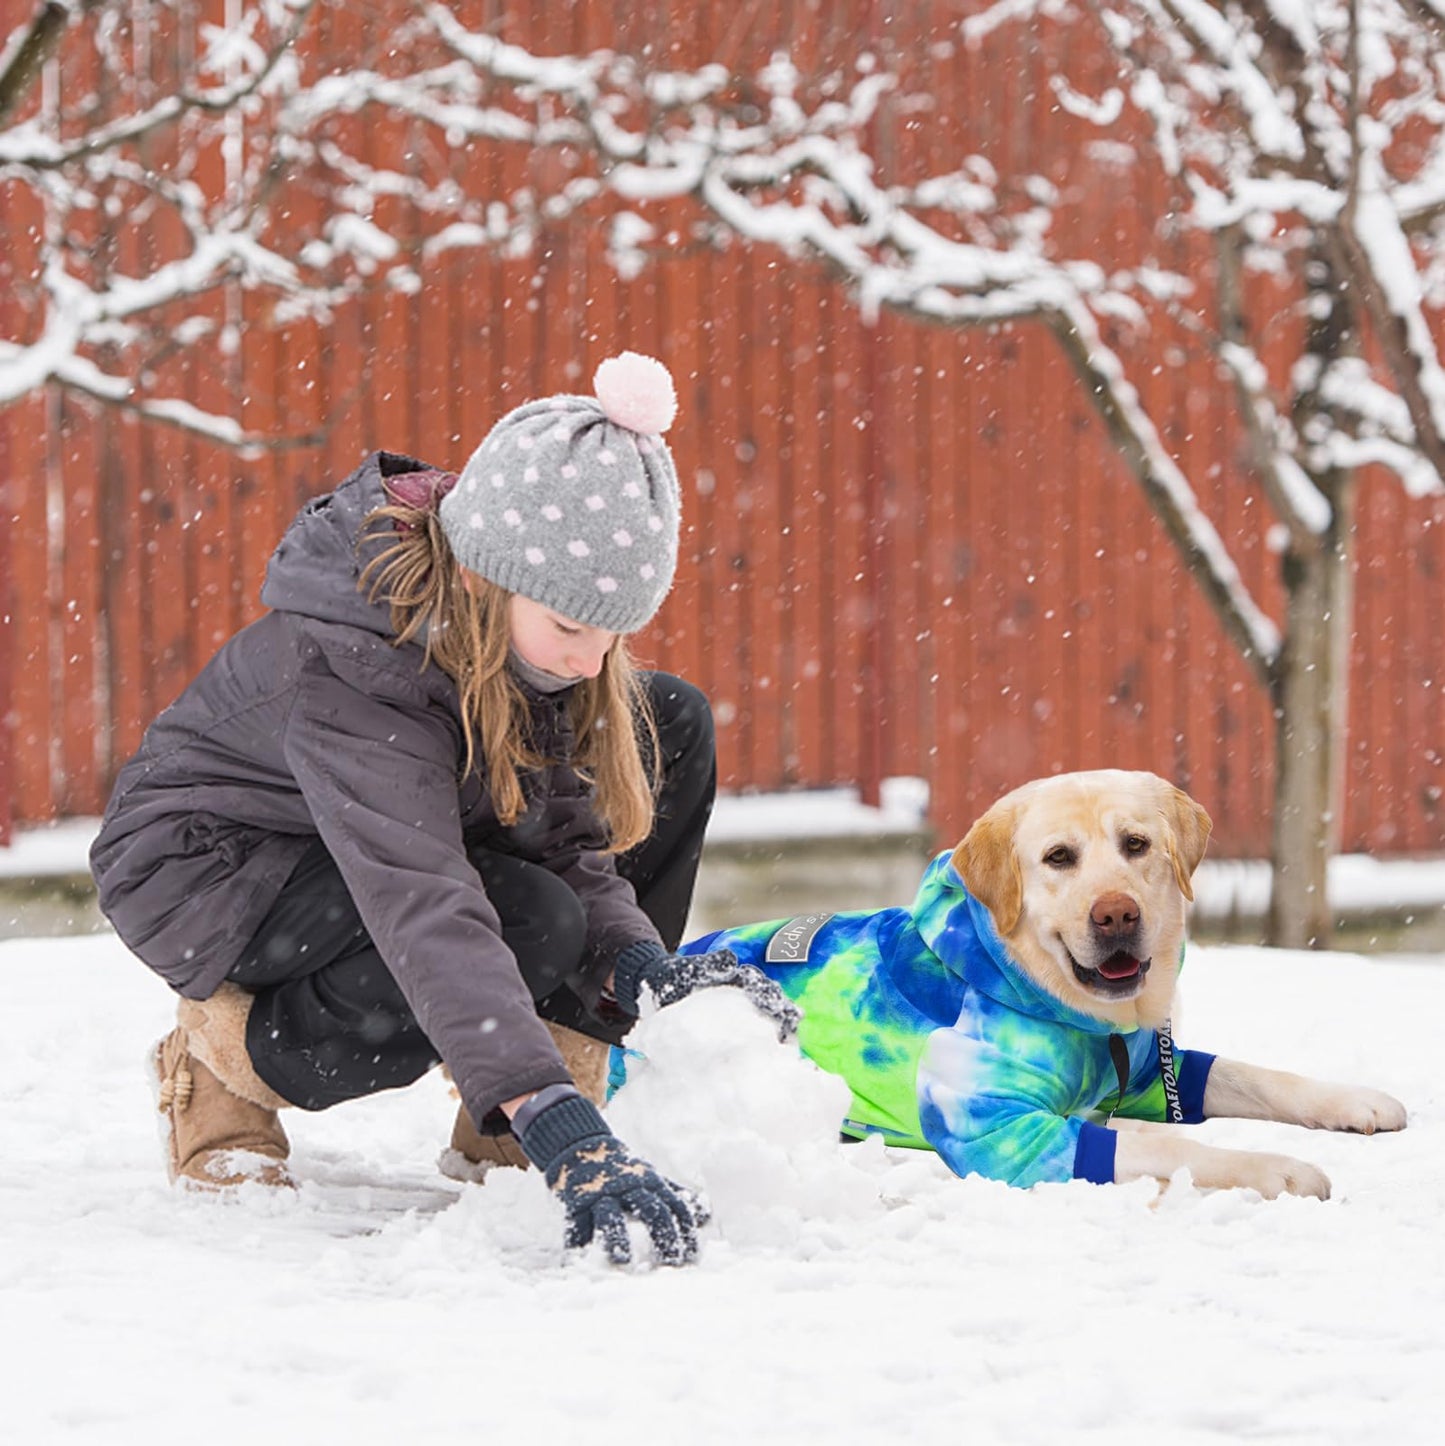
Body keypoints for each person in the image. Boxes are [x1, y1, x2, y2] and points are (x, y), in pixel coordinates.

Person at [89, 351, 797, 1267]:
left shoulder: (516, 642)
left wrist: (640, 972)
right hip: (216, 868)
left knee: (663, 723)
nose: (590, 659)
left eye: (614, 629)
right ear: (480, 577)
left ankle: (527, 1082)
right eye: (572, 628)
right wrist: (561, 1130)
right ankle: (227, 1060)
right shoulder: (360, 666)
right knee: (523, 922)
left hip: (367, 838)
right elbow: (423, 899)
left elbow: (564, 839)